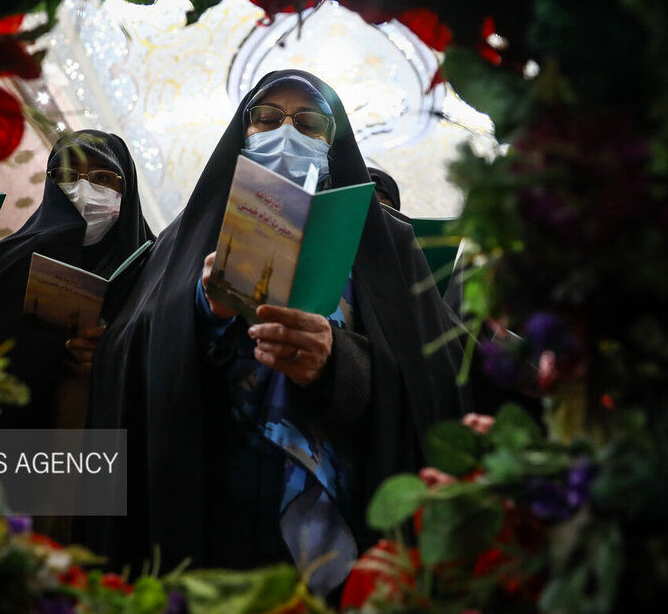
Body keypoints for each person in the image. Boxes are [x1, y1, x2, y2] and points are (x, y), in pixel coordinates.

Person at [86, 71, 469, 594]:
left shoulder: (386, 244)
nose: (285, 131)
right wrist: (202, 308)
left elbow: (436, 378)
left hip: (343, 527)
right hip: (213, 519)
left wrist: (339, 364)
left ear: (333, 142)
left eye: (308, 122)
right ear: (242, 132)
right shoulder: (190, 231)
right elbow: (127, 350)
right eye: (266, 118)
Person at [0, 130, 154, 429]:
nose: (83, 189)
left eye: (102, 178)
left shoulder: (145, 279)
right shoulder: (4, 259)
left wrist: (106, 360)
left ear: (127, 189)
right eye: (67, 174)